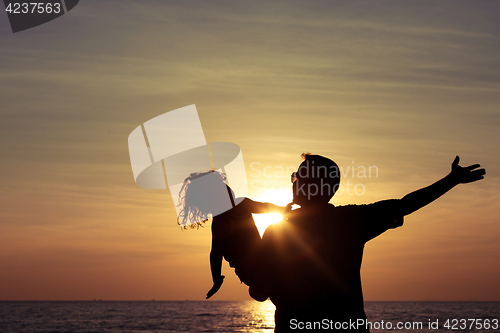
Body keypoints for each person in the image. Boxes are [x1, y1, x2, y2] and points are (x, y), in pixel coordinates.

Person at [250, 154, 485, 332]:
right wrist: (451, 180)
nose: (293, 182)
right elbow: (406, 204)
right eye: (294, 177)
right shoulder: (351, 221)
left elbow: (258, 292)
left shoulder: (276, 233)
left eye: (298, 177)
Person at [176, 170, 288, 299]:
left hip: (262, 258)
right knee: (273, 231)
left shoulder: (242, 203)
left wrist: (283, 210)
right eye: (220, 188)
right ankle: (260, 287)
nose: (227, 188)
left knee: (276, 230)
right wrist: (216, 280)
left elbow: (265, 207)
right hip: (249, 271)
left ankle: (271, 279)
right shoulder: (222, 221)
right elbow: (215, 254)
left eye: (224, 185)